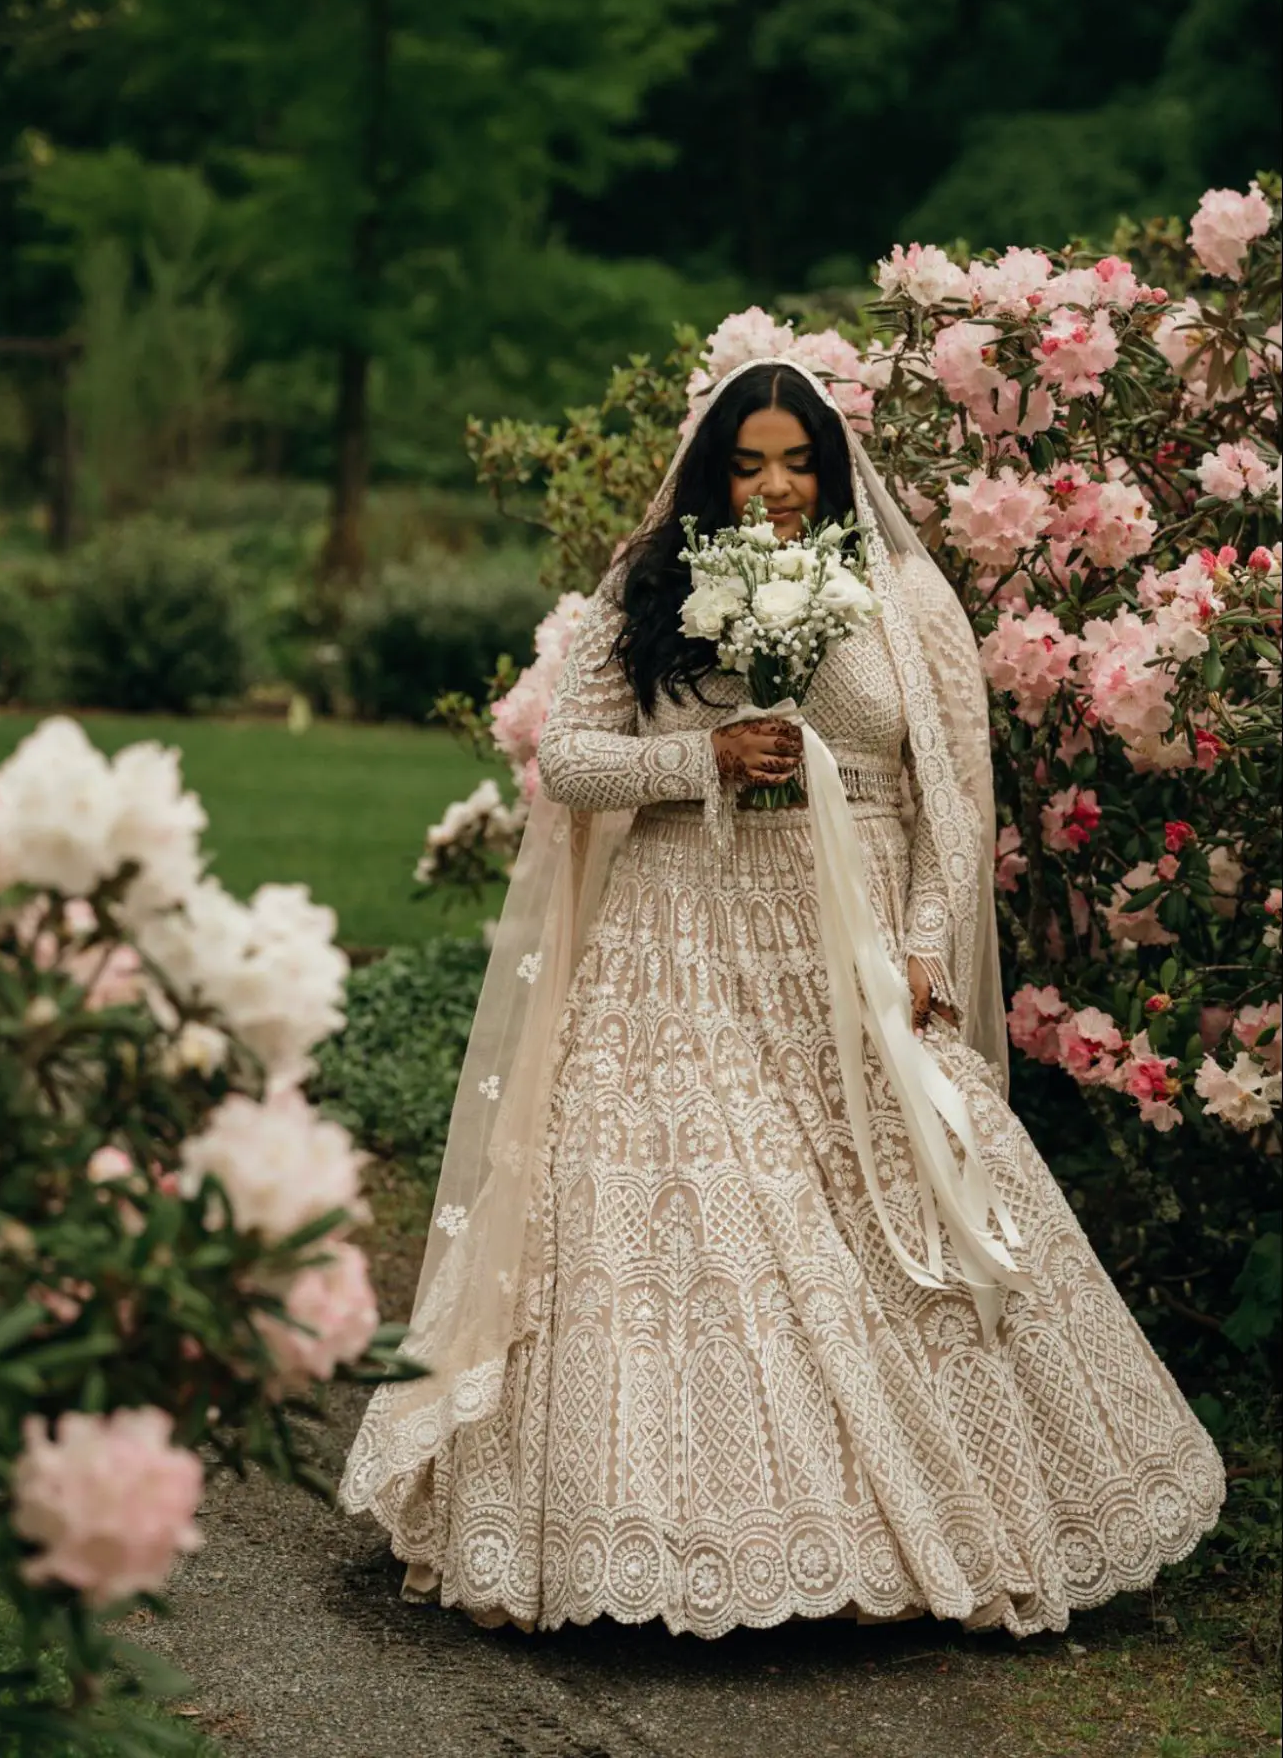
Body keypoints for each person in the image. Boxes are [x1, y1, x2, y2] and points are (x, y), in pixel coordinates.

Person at [341, 358, 1223, 1638]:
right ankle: (660, 1535)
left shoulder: (900, 597)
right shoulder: (649, 585)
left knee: (895, 1214)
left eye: (794, 462)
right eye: (746, 463)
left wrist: (925, 944)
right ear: (712, 470)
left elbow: (946, 801)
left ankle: (935, 1527)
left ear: (830, 467)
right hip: (675, 939)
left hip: (848, 940)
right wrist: (696, 755)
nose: (770, 488)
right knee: (681, 1225)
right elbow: (573, 761)